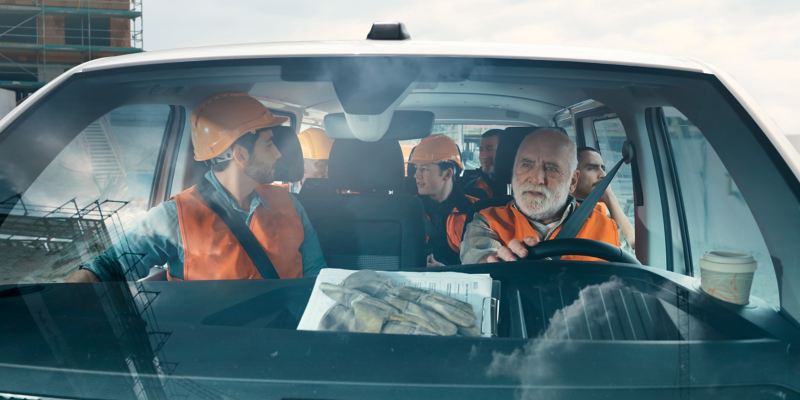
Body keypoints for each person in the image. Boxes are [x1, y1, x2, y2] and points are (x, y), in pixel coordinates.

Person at [66, 92, 327, 282]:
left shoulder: (291, 205)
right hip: (205, 350)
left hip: (287, 344)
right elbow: (108, 267)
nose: (279, 155)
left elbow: (316, 278)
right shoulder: (175, 216)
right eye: (269, 145)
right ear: (241, 155)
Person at [460, 128, 620, 264]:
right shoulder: (487, 221)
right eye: (526, 164)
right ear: (514, 171)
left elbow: (631, 282)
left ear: (573, 181)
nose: (537, 178)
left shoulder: (606, 227)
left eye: (551, 168)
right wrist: (495, 264)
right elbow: (478, 257)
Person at [409, 134, 478, 266]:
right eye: (416, 168)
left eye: (424, 169)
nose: (416, 175)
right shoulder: (408, 210)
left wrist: (447, 271)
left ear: (447, 174)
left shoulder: (475, 211)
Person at [573, 147, 636, 250]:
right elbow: (631, 246)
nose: (603, 175)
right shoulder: (556, 213)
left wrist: (609, 198)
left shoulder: (602, 210)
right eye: (592, 168)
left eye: (603, 168)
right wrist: (610, 197)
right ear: (573, 176)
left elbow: (633, 246)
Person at [464, 129, 502, 200]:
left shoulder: (515, 183)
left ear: (504, 151)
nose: (483, 155)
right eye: (481, 149)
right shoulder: (474, 187)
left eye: (489, 149)